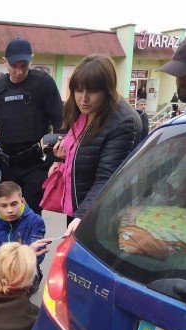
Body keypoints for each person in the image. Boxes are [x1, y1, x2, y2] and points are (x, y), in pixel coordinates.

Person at [48, 54, 142, 236]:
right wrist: (65, 160)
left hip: (101, 214)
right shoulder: (83, 112)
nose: (83, 98)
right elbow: (88, 153)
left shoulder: (123, 121)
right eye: (78, 90)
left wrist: (82, 215)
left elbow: (108, 177)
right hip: (79, 207)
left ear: (107, 90)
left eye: (91, 91)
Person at [0, 37, 63, 215]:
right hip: (8, 165)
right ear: (4, 61)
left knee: (30, 217)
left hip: (36, 164)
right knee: (8, 215)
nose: (19, 71)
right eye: (14, 66)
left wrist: (56, 161)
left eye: (24, 65)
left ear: (31, 60)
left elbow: (60, 123)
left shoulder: (43, 83)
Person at [0, 181, 47, 292]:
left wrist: (27, 254)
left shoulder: (35, 221)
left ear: (22, 201)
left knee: (9, 293)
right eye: (4, 205)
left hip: (25, 272)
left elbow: (37, 258)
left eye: (14, 204)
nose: (10, 210)